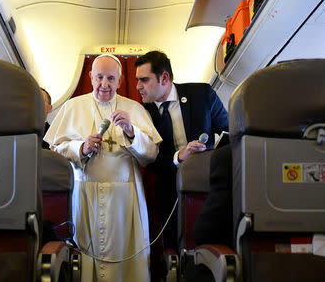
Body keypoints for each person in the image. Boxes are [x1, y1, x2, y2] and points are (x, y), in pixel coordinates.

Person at [44, 54, 162, 281]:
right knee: (88, 259)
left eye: (111, 78)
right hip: (86, 194)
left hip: (126, 199)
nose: (104, 84)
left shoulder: (134, 109)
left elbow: (151, 155)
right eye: (99, 77)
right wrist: (81, 147)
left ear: (120, 81)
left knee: (127, 259)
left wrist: (131, 131)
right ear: (90, 77)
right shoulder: (73, 106)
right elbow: (55, 150)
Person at [135, 50, 229, 250]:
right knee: (174, 250)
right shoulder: (143, 112)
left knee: (210, 246)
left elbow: (229, 133)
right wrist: (179, 156)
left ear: (165, 78)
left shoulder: (202, 94)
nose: (138, 87)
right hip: (169, 193)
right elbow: (149, 160)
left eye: (144, 80)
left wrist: (209, 158)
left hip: (207, 189)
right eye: (137, 80)